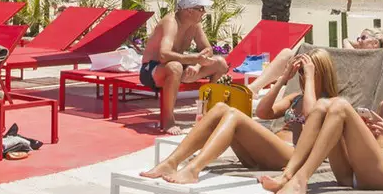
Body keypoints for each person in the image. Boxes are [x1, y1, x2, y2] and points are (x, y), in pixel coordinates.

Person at [260, 44, 383, 194]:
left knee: (340, 105)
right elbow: (369, 145)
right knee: (323, 104)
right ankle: (287, 175)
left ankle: (301, 180)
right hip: (353, 173)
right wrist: (363, 128)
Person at [142, 45, 341, 185]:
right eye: (301, 73)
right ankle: (171, 163)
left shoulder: (328, 103)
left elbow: (312, 115)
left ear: (321, 73)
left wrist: (310, 75)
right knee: (220, 108)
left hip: (292, 157)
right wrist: (283, 79)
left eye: (307, 73)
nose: (303, 77)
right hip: (265, 153)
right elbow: (263, 112)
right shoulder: (296, 97)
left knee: (234, 115)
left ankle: (193, 170)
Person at [141, 0, 227, 132]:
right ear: (189, 11)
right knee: (175, 67)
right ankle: (168, 121)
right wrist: (194, 59)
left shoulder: (195, 25)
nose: (204, 12)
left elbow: (208, 49)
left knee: (220, 63)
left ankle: (208, 111)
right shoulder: (171, 23)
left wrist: (197, 65)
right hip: (152, 69)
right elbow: (163, 55)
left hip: (179, 67)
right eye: (201, 9)